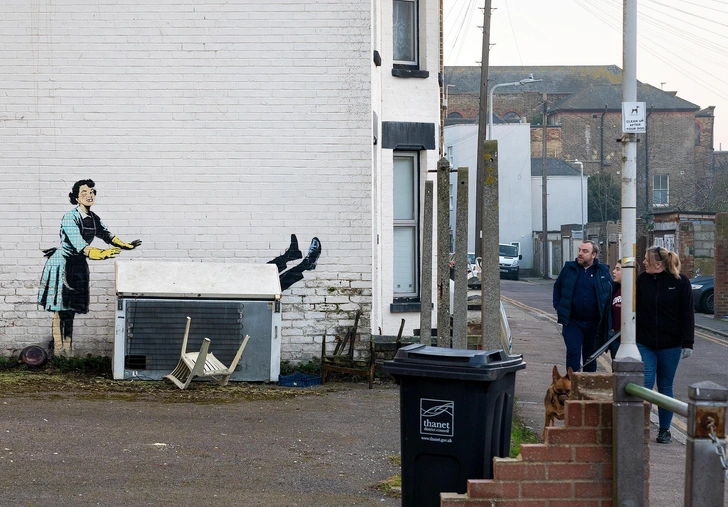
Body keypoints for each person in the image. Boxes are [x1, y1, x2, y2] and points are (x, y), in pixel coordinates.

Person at [38, 179, 141, 356]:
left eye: (92, 191)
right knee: (60, 308)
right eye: (84, 192)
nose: (89, 195)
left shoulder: (94, 218)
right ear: (76, 197)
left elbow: (107, 234)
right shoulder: (70, 217)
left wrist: (126, 245)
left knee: (72, 308)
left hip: (79, 264)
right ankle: (58, 349)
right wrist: (102, 254)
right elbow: (80, 245)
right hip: (63, 264)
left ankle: (68, 350)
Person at [636, 245, 694, 444]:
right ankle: (640, 428)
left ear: (658, 264)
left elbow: (688, 314)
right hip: (645, 342)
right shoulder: (642, 280)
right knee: (645, 384)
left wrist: (688, 343)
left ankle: (664, 430)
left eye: (646, 260)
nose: (643, 262)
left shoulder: (680, 282)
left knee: (665, 386)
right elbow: (632, 308)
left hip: (671, 344)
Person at [553, 240, 612, 373]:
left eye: (585, 251)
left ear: (593, 255)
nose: (580, 254)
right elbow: (557, 286)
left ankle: (587, 389)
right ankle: (572, 388)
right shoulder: (569, 268)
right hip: (573, 322)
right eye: (579, 250)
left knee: (590, 358)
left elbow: (609, 292)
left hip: (594, 323)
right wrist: (558, 306)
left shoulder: (602, 271)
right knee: (573, 354)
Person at [596, 260, 622, 362]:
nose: (613, 272)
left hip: (633, 342)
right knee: (616, 373)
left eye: (618, 269)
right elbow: (606, 318)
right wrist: (599, 344)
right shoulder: (613, 290)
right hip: (615, 339)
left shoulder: (636, 290)